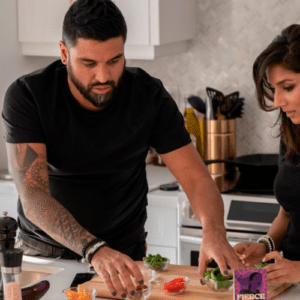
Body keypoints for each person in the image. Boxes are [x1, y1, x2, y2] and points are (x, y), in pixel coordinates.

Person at [2, 0, 242, 298]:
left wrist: (214, 231)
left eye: (114, 61)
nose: (103, 77)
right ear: (64, 53)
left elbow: (196, 178)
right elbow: (32, 191)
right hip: (47, 256)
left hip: (125, 254)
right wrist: (94, 249)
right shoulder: (28, 95)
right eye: (89, 63)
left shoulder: (149, 96)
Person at [234, 24, 300, 284]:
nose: (277, 102)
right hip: (288, 287)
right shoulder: (292, 134)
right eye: (275, 89)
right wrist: (265, 245)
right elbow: (288, 212)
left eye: (288, 87)